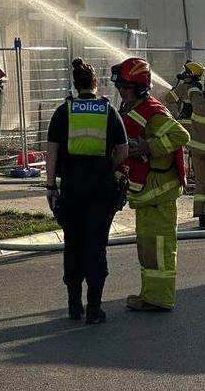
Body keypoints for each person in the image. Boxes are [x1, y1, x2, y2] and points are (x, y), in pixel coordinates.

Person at [46, 58, 128, 325]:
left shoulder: (63, 112)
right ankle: (94, 308)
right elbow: (123, 150)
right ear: (95, 83)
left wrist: (51, 186)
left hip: (71, 189)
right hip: (101, 190)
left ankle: (73, 305)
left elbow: (52, 152)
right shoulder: (109, 111)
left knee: (73, 245)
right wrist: (107, 167)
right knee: (96, 245)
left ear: (75, 84)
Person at [111, 57, 190, 311]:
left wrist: (149, 147)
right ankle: (150, 296)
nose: (122, 92)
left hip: (160, 194)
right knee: (147, 250)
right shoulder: (133, 109)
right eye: (120, 87)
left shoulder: (153, 112)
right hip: (147, 195)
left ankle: (161, 299)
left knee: (160, 251)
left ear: (140, 88)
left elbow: (181, 135)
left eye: (126, 88)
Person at [165, 61, 205, 228]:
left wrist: (178, 86)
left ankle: (202, 215)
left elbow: (169, 98)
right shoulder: (201, 89)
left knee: (201, 181)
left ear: (189, 74)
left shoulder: (185, 89)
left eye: (185, 71)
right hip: (196, 136)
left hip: (194, 139)